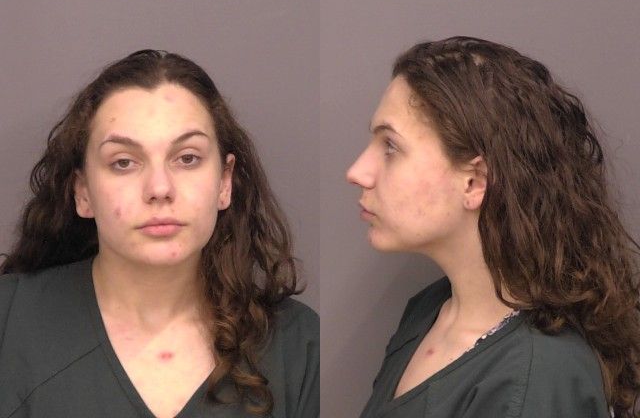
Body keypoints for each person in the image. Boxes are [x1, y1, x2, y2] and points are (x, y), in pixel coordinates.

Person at [0, 50, 319, 418]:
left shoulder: (298, 345)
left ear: (225, 182)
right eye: (123, 162)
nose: (159, 188)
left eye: (187, 158)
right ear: (83, 191)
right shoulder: (9, 320)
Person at [347, 36, 640, 417]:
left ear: (474, 182)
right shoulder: (429, 309)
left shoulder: (537, 380)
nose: (357, 172)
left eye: (390, 147)